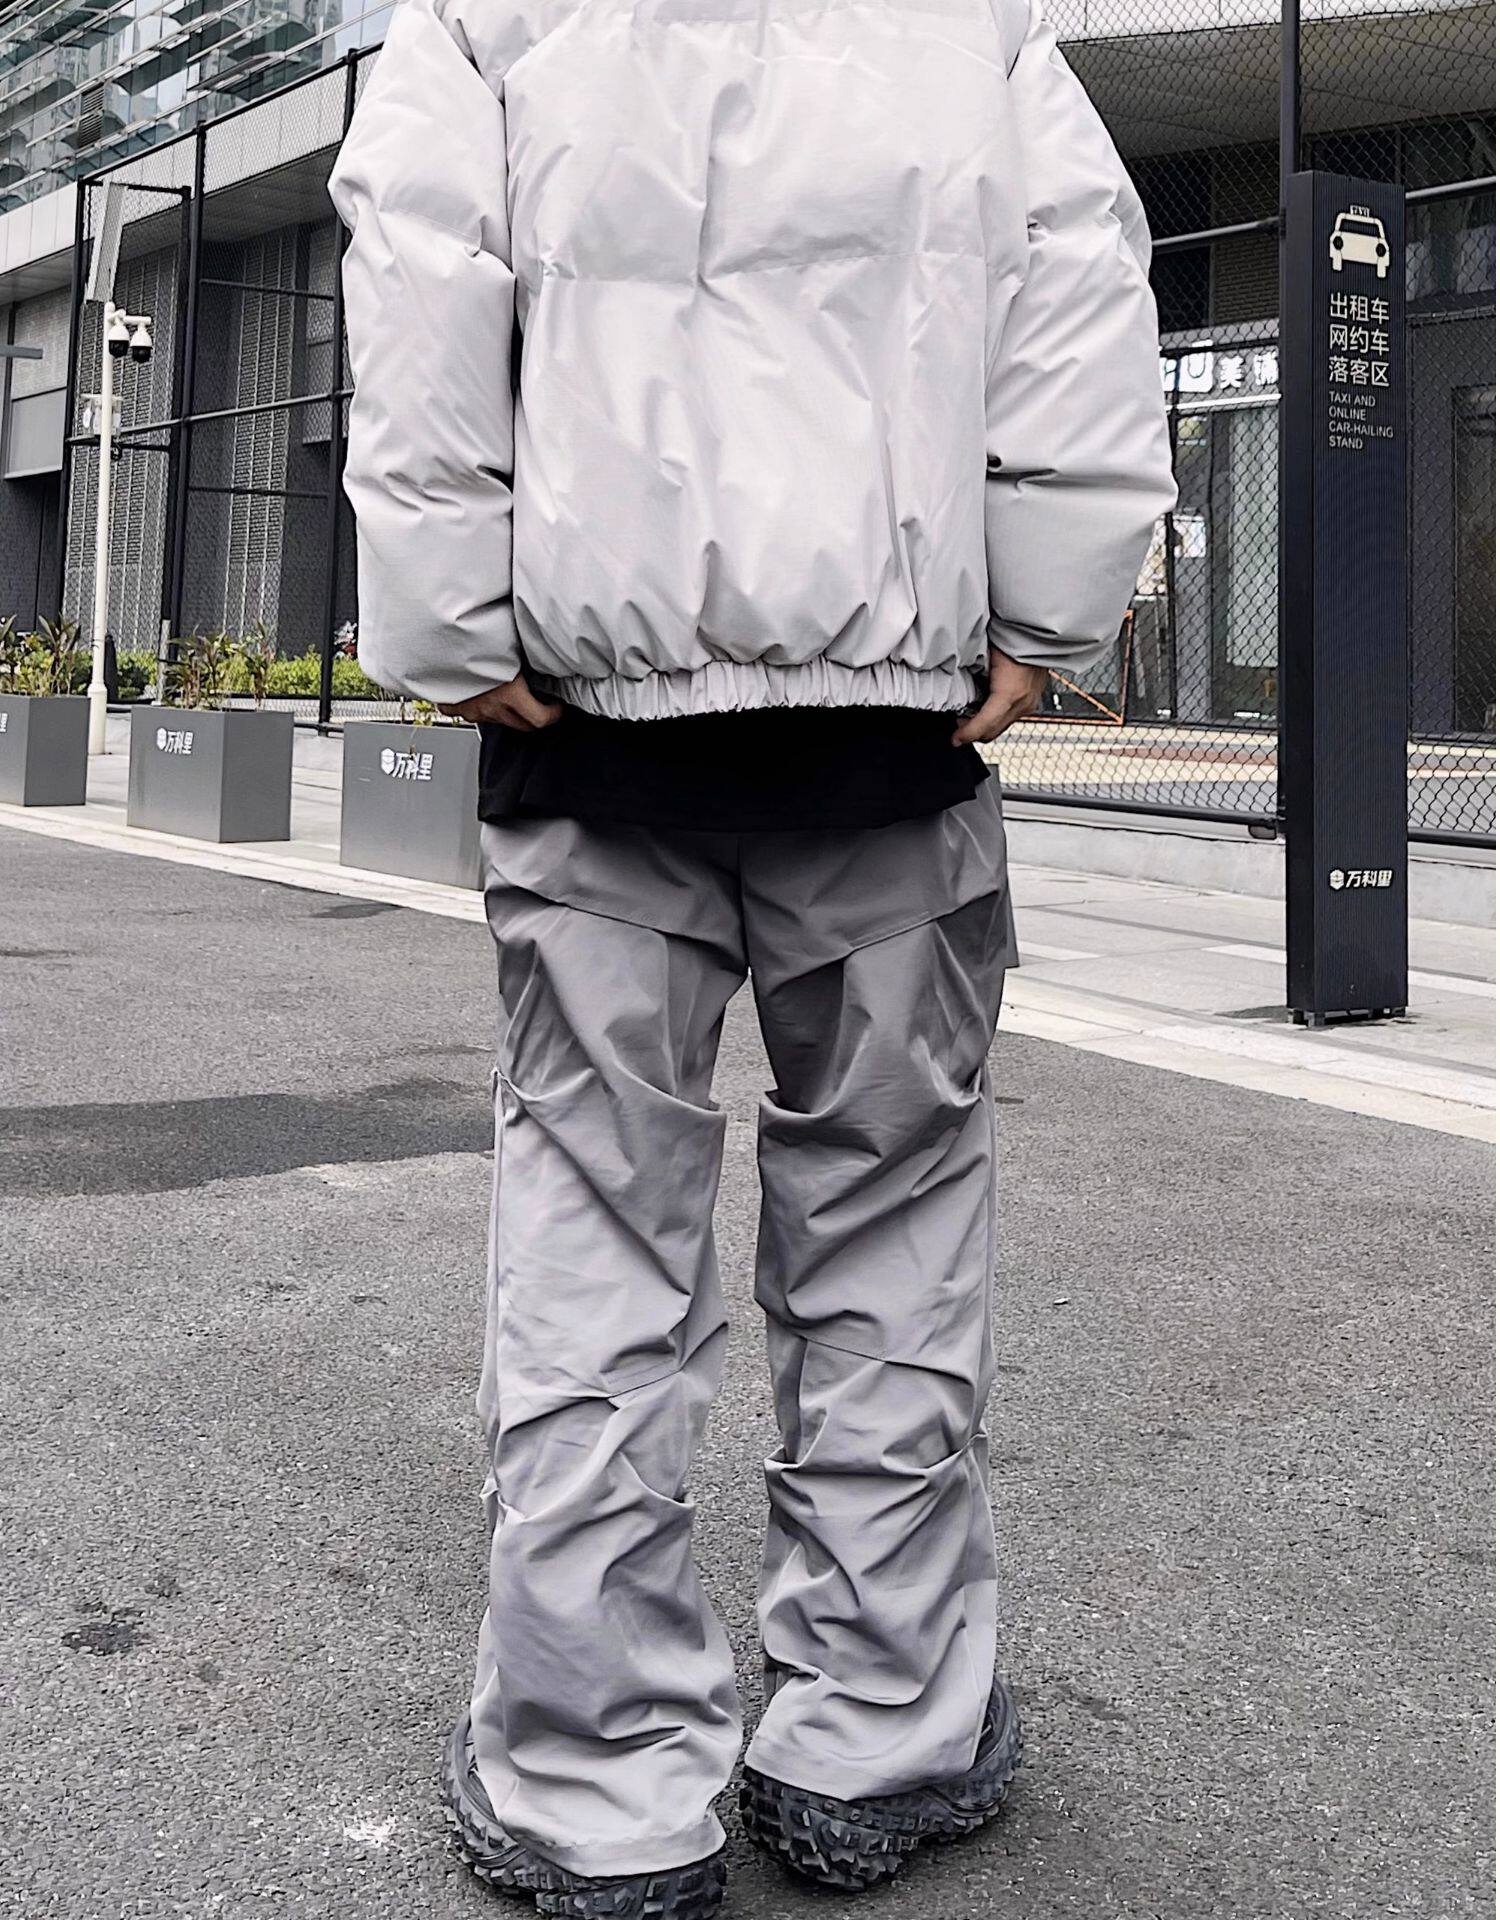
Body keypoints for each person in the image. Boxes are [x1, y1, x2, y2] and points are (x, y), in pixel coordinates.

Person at [329, 0, 1174, 1906]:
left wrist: (449, 617)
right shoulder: (980, 22)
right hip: (896, 725)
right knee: (891, 1213)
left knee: (593, 1224)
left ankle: (594, 1780)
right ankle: (882, 1729)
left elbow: (420, 278)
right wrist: (1047, 614)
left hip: (589, 727)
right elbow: (1077, 291)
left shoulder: (479, 15)